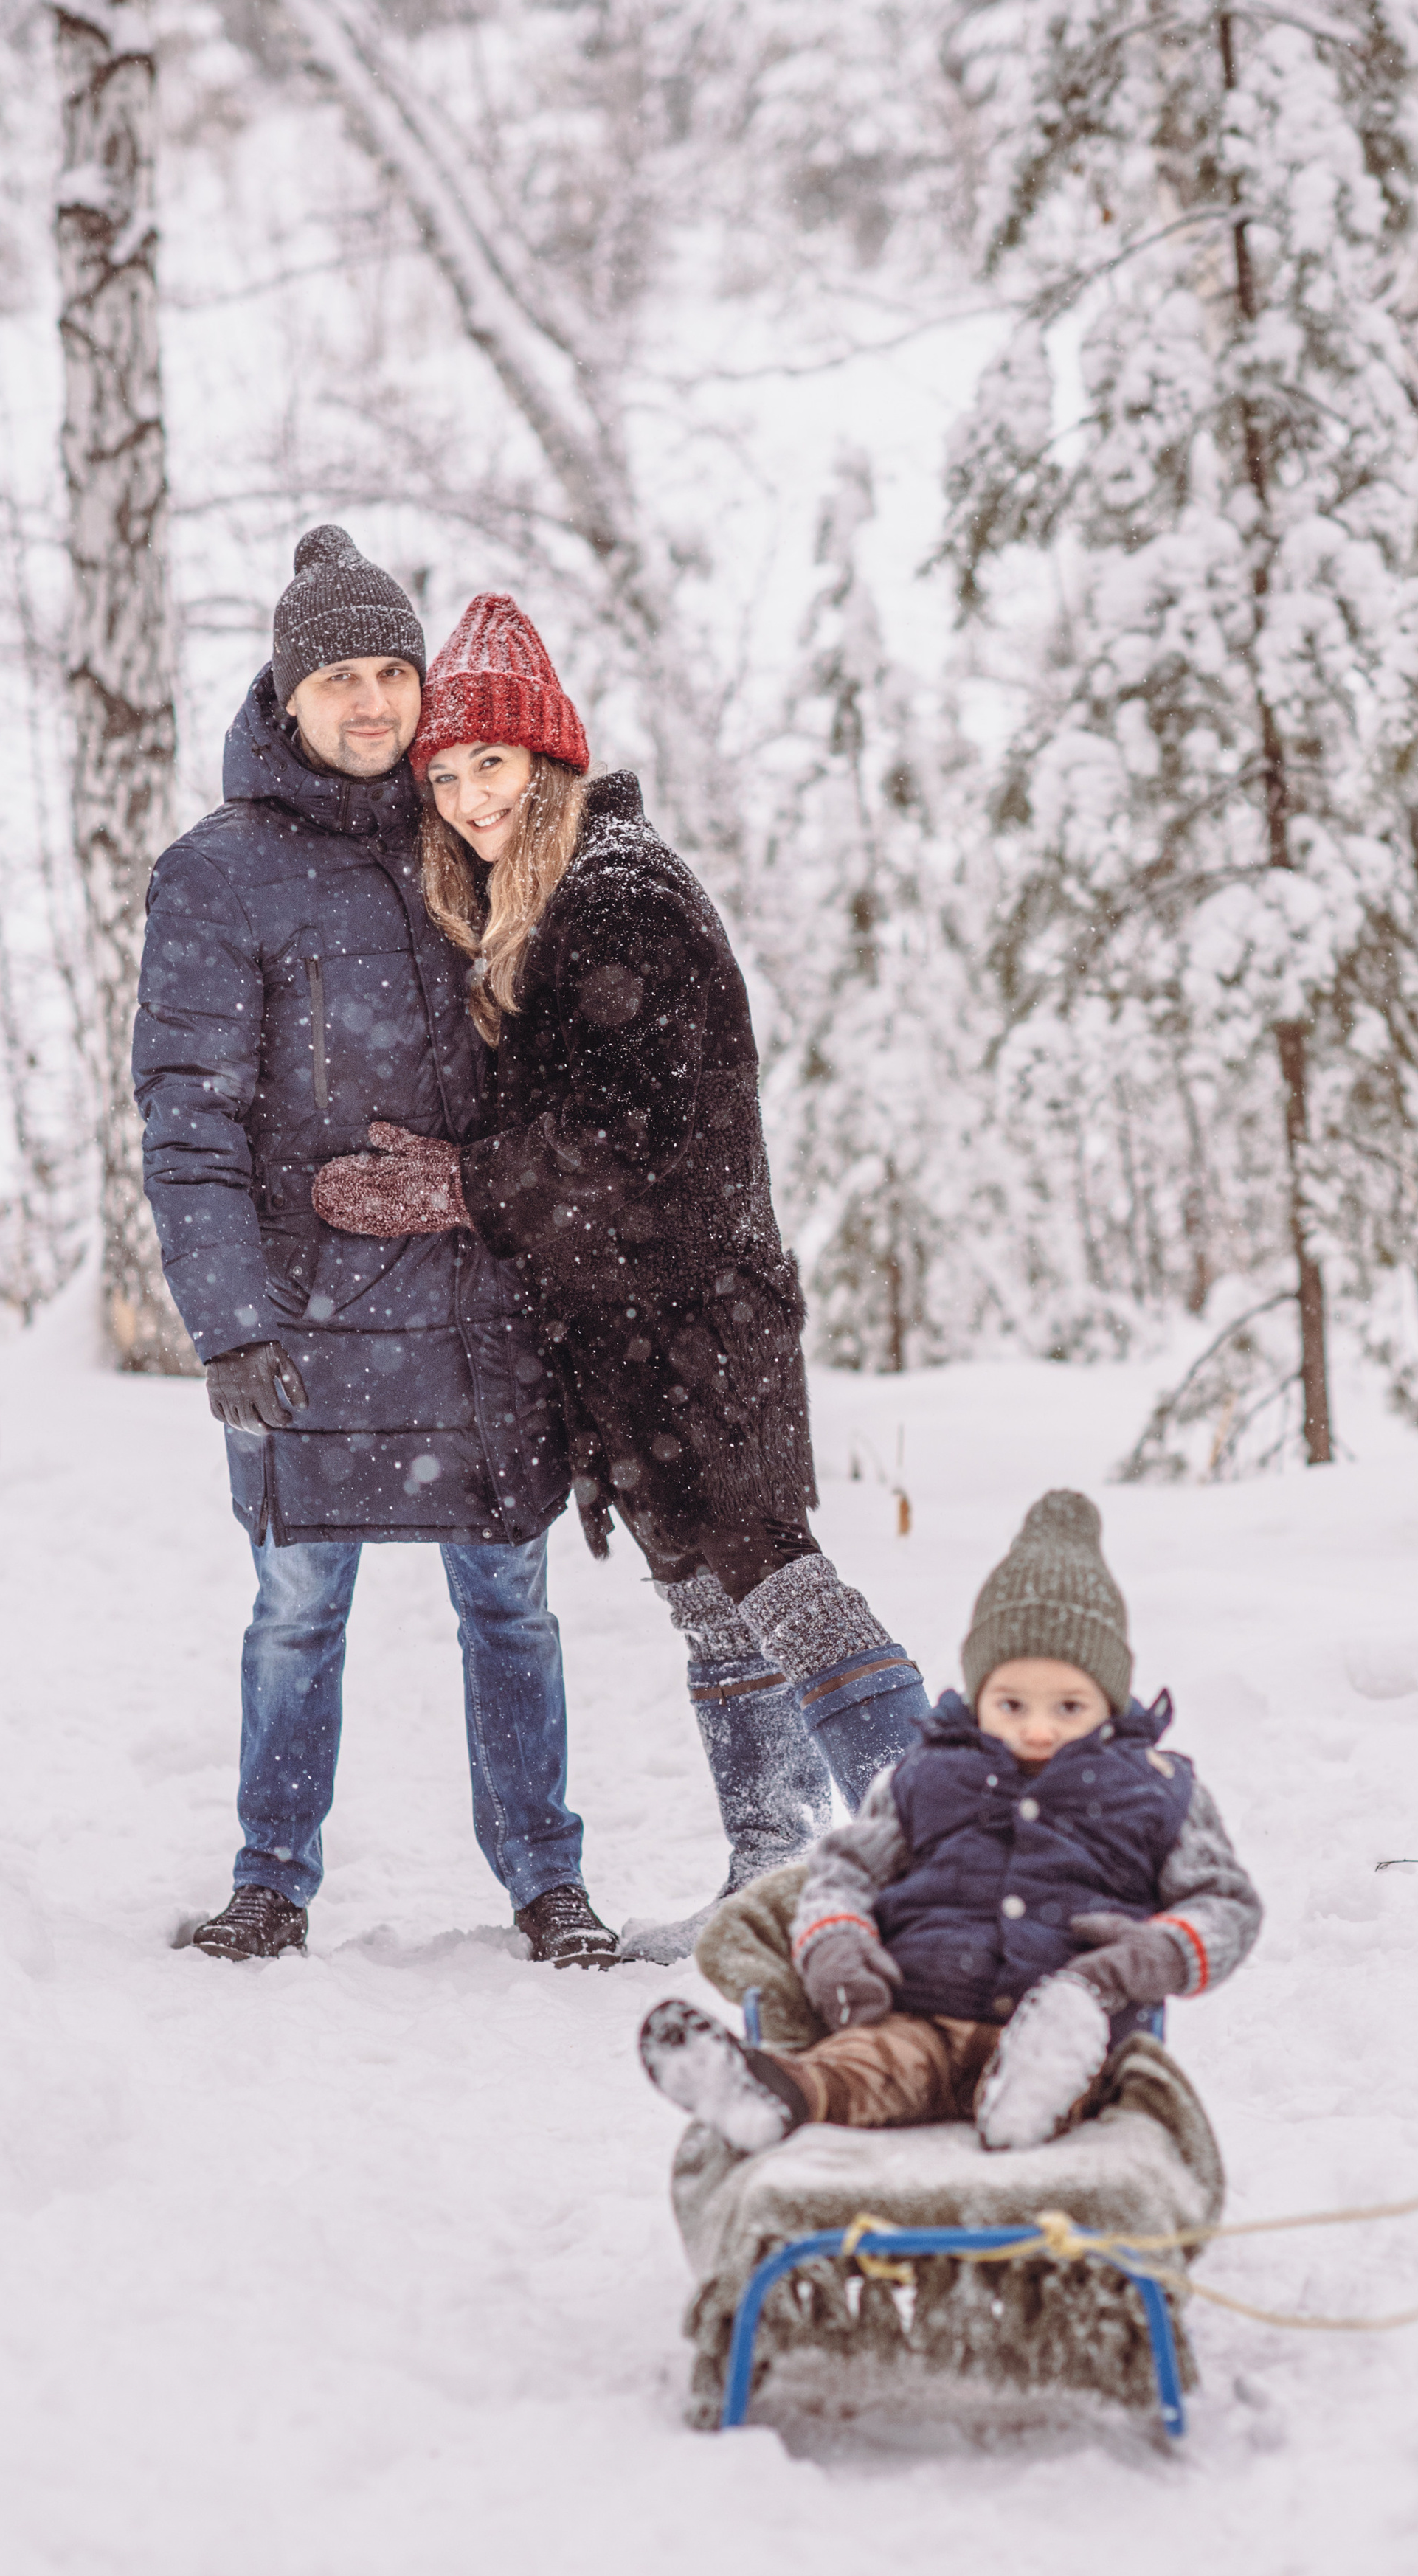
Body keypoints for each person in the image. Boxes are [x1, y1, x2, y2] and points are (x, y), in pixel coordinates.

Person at [311, 593, 932, 1964]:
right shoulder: (543, 905)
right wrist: (468, 1161)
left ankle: (961, 1856)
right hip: (633, 1330)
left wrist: (462, 1184)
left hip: (698, 1315)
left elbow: (628, 1142)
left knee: (774, 1571)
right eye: (449, 773)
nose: (471, 796)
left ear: (549, 760)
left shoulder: (619, 893)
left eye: (495, 764)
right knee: (709, 1595)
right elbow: (577, 1123)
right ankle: (770, 1877)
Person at [134, 528, 616, 1967]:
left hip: (480, 1306)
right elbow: (188, 1115)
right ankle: (271, 1876)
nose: (369, 703)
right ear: (287, 697)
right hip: (308, 1316)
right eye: (336, 676)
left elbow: (562, 1067)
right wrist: (228, 1321)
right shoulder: (216, 875)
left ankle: (545, 1878)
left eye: (390, 672)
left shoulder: (464, 828)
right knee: (296, 1604)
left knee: (510, 1603)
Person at [634, 1490, 1262, 2149]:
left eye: (1070, 1706)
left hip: (1072, 2018)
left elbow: (1225, 1906)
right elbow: (843, 1871)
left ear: (1110, 1703)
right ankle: (773, 2097)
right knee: (860, 2068)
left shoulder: (1157, 1791)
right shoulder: (926, 1775)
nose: (1039, 1728)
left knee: (1089, 2070)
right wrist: (838, 1944)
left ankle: (1034, 2096)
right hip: (919, 2014)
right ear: (979, 1692)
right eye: (1012, 1703)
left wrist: (1151, 1955)